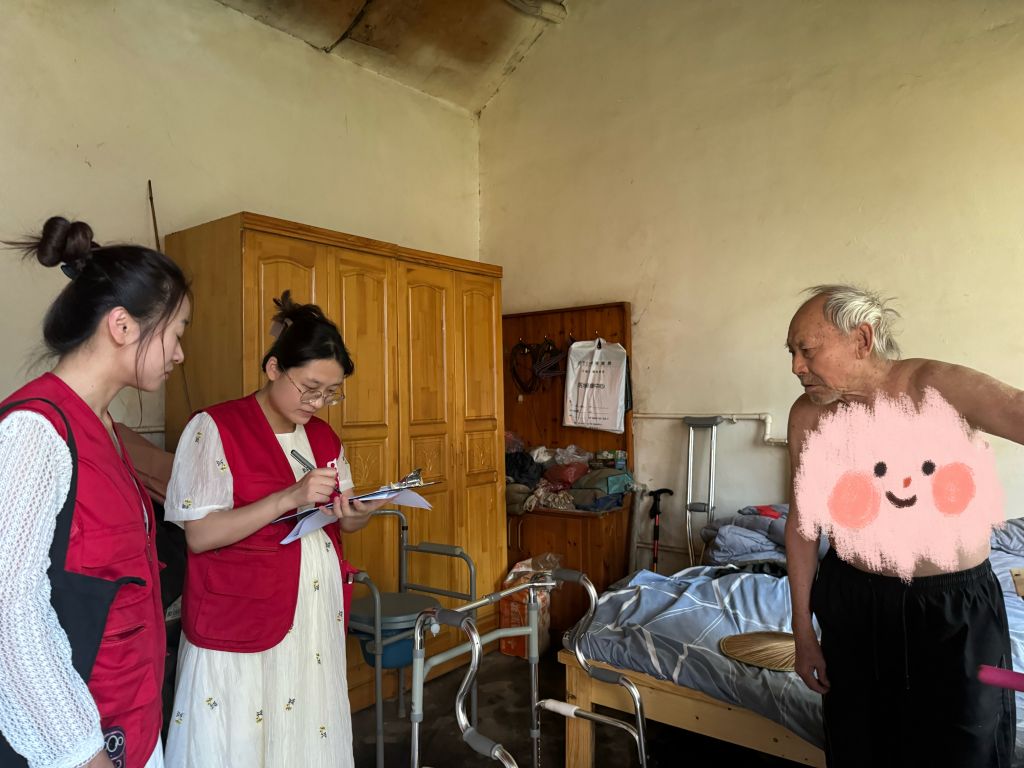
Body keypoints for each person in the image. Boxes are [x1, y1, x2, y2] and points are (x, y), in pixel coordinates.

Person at [785, 284, 1022, 767]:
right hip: (854, 603)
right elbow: (804, 525)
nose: (796, 367)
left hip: (954, 609)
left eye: (807, 350)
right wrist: (803, 632)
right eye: (791, 353)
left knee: (966, 748)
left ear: (861, 339)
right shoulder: (808, 416)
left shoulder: (935, 386)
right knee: (860, 747)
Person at [163, 291, 385, 768]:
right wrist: (287, 497)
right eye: (310, 388)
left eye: (331, 392)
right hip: (242, 615)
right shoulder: (214, 428)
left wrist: (356, 515)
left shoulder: (323, 436)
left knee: (304, 729)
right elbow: (200, 535)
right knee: (242, 734)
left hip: (311, 617)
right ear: (273, 368)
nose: (319, 403)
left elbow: (342, 517)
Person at [0, 216, 191, 768]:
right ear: (122, 326)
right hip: (77, 743)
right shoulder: (34, 431)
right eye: (176, 332)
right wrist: (81, 752)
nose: (179, 353)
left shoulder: (104, 428)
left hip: (130, 719)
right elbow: (11, 612)